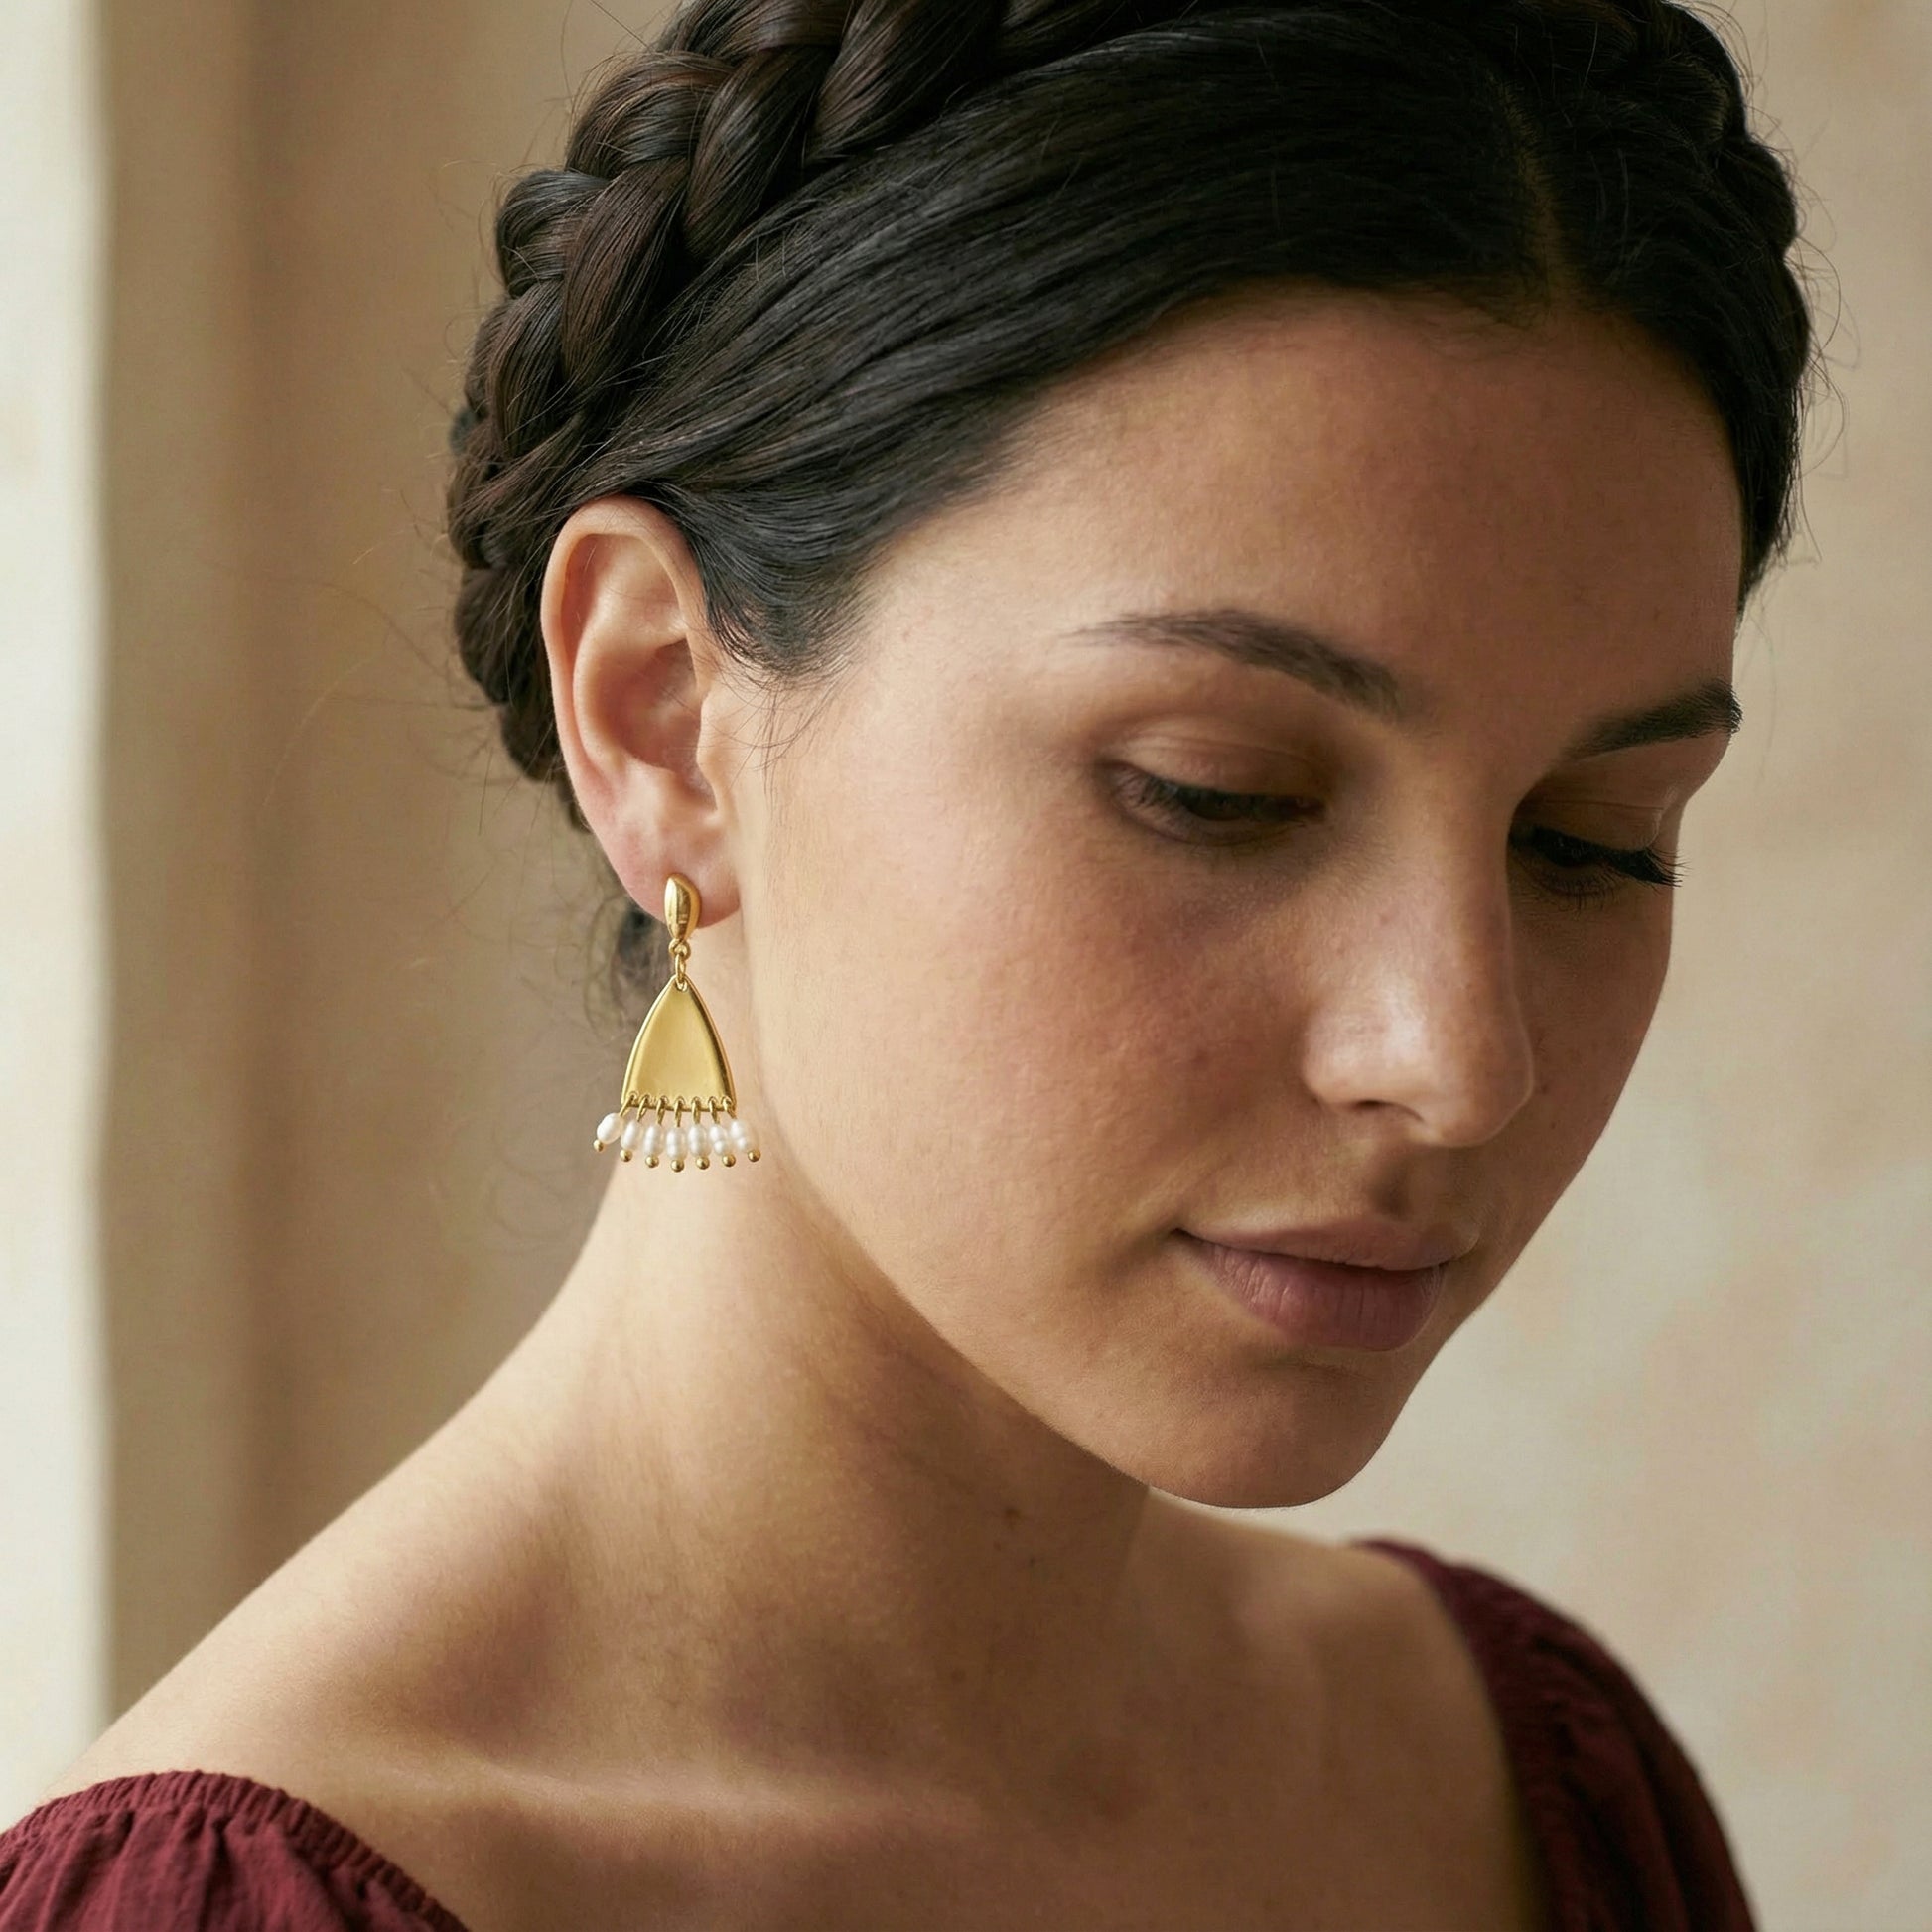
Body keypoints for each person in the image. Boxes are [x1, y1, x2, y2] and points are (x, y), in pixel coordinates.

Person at [1, 0, 1818, 1925]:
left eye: (1590, 839)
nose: (1457, 1058)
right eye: (1214, 793)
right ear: (659, 712)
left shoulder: (1527, 1784)